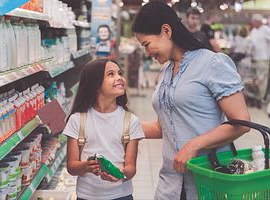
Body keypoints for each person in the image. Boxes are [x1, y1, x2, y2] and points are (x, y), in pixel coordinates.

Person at [131, 2, 250, 199]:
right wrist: (119, 126)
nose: (147, 53)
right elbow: (165, 127)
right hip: (170, 184)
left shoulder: (211, 63)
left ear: (166, 31)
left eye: (147, 44)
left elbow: (242, 123)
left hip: (206, 180)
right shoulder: (165, 72)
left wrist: (193, 145)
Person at [63, 58, 144, 200]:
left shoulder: (130, 121)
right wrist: (86, 166)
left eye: (119, 73)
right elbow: (71, 166)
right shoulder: (77, 120)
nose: (119, 78)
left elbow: (131, 169)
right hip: (86, 196)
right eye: (111, 74)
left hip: (121, 195)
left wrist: (119, 174)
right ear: (95, 84)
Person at [249, 14, 270, 101]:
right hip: (254, 58)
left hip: (264, 58)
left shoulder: (266, 30)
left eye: (253, 21)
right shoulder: (253, 31)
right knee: (255, 78)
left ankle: (262, 97)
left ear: (258, 21)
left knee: (262, 79)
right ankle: (257, 96)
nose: (252, 23)